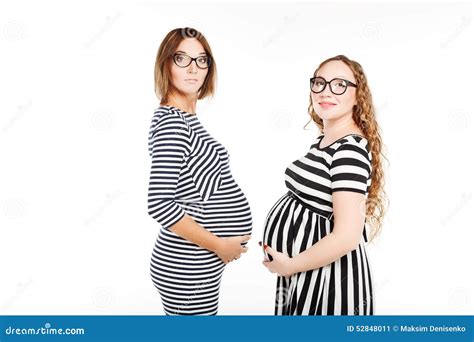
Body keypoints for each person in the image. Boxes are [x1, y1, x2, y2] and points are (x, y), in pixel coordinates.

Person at [261, 55, 386, 315]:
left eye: (339, 84)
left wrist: (291, 265)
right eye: (320, 83)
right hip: (307, 276)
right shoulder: (324, 142)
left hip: (330, 284)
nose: (326, 91)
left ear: (357, 94)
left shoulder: (349, 150)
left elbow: (347, 236)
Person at [147, 27, 252, 315]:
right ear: (165, 64)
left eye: (201, 60)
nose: (193, 68)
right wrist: (219, 245)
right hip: (186, 265)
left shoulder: (186, 119)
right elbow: (158, 203)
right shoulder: (173, 123)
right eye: (182, 58)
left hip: (198, 262)